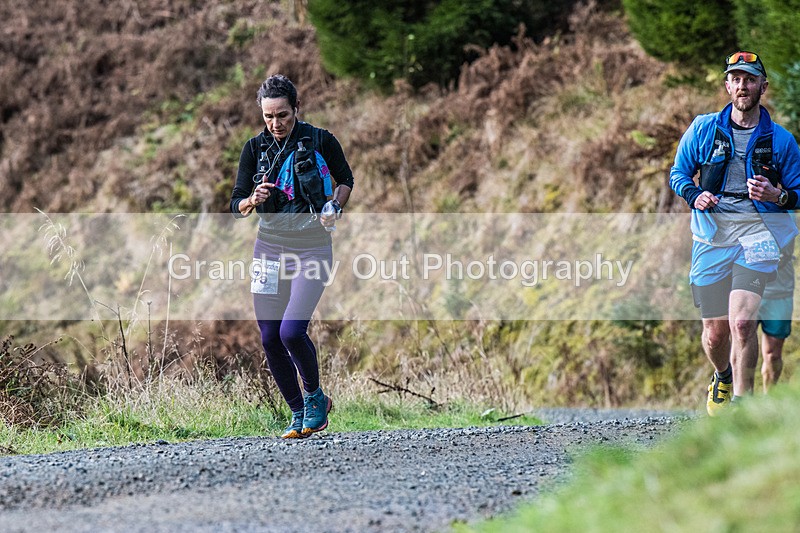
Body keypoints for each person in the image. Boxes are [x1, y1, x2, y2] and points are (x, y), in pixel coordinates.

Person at [669, 51, 800, 416]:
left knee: (742, 323)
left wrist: (777, 196)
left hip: (759, 237)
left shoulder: (782, 141)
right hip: (712, 238)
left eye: (750, 79)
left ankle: (743, 405)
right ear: (727, 86)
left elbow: (798, 191)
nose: (743, 86)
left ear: (763, 87)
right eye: (736, 79)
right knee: (715, 334)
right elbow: (678, 174)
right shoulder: (703, 129)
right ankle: (723, 376)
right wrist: (695, 195)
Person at [230, 74, 353, 438]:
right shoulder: (254, 149)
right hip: (268, 249)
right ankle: (299, 413)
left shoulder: (320, 140)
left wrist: (334, 206)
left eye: (282, 115)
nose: (276, 123)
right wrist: (252, 200)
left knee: (291, 330)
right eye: (268, 116)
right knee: (270, 337)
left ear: (297, 108)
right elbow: (235, 204)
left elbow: (345, 180)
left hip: (313, 247)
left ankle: (315, 397)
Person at [757, 239, 795, 392]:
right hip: (743, 287)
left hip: (780, 289)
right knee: (740, 344)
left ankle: (769, 397)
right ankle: (741, 398)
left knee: (773, 355)